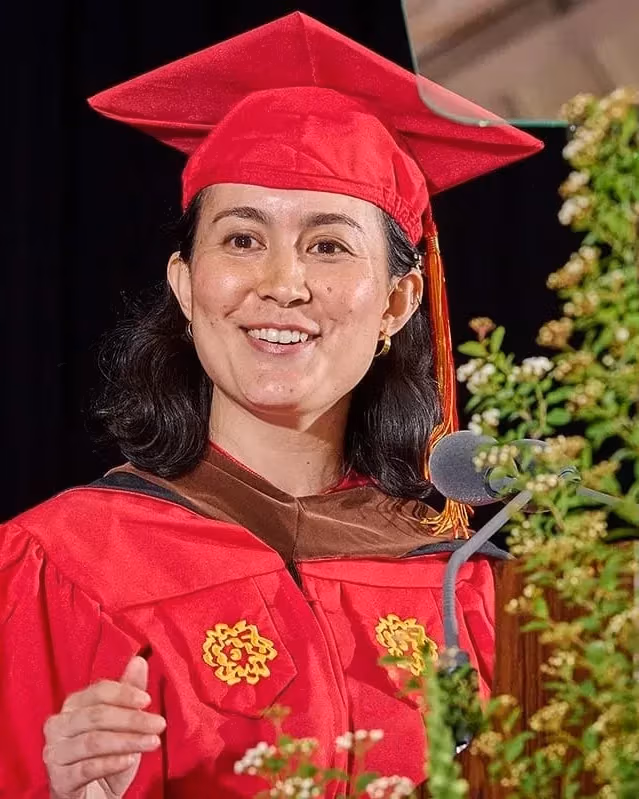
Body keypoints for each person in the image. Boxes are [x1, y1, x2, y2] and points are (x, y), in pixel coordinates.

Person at [0, 12, 542, 799]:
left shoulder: (467, 587)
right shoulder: (62, 564)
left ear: (396, 303)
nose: (281, 282)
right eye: (242, 239)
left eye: (328, 245)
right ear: (186, 285)